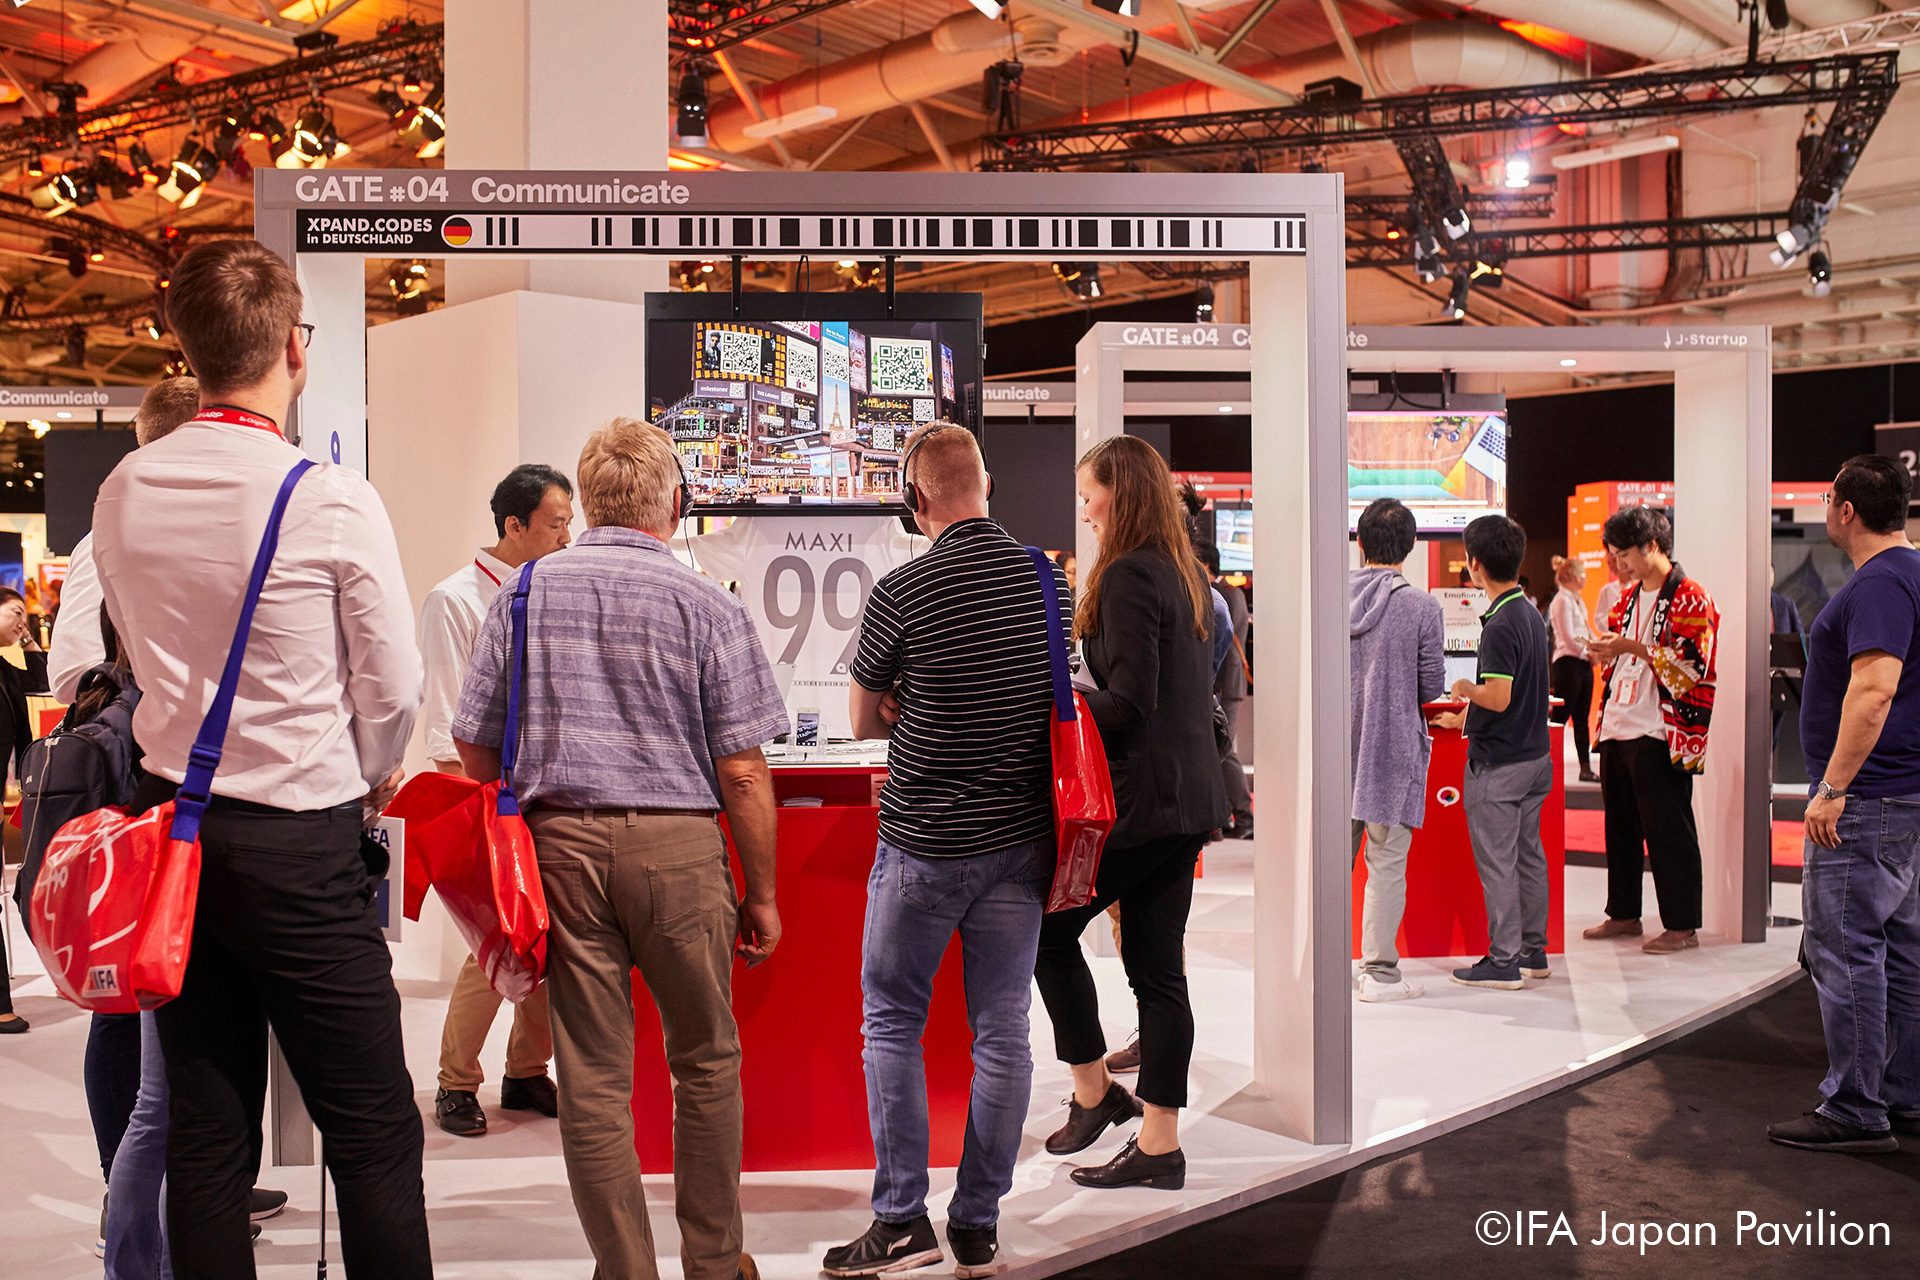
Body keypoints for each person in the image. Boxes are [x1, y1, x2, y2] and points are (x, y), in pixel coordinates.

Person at [92, 239, 430, 1279]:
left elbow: (139, 653)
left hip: (174, 835)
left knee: (206, 1131)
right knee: (373, 1130)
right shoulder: (327, 495)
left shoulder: (125, 488)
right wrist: (371, 772)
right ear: (294, 345)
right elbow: (394, 688)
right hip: (301, 842)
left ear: (191, 352)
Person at [453, 418, 786, 1280]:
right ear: (672, 504)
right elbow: (744, 773)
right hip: (679, 851)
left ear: (590, 503)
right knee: (706, 1061)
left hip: (560, 852)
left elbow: (475, 744)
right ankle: (714, 1263)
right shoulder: (709, 603)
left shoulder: (521, 596)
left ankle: (625, 1269)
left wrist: (521, 817)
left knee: (593, 1078)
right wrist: (763, 893)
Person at [823, 423, 1063, 1278]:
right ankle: (977, 1224)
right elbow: (1050, 702)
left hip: (924, 843)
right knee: (1002, 1032)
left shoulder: (904, 589)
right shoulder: (1046, 583)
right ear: (986, 485)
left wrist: (905, 703)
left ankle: (898, 1222)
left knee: (893, 1020)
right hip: (1020, 843)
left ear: (915, 499)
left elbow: (859, 720)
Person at [1031, 435, 1228, 1192]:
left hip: (1145, 806)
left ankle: (1097, 1095)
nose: (1083, 509)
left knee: (1048, 934)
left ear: (1122, 492)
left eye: (1090, 494)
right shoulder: (1182, 575)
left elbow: (1131, 702)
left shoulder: (1129, 576)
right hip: (1183, 802)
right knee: (1158, 972)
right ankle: (1156, 1143)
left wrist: (1058, 698)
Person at [1769, 455, 1920, 1154]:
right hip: (1904, 796)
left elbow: (1874, 692)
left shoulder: (1881, 584)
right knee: (1900, 950)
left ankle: (1859, 1107)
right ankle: (1899, 1094)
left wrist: (1832, 789)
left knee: (1848, 948)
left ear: (1846, 510)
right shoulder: (1911, 574)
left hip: (1869, 801)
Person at [421, 463, 574, 1138]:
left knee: (550, 936)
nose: (569, 536)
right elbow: (447, 723)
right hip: (484, 796)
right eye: (557, 523)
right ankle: (456, 1081)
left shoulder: (547, 591)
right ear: (514, 526)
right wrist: (488, 808)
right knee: (496, 943)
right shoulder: (454, 600)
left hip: (544, 790)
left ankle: (525, 1071)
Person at [1585, 505, 1719, 956]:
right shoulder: (1626, 598)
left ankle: (1682, 925)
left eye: (1625, 554)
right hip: (1620, 723)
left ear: (1652, 546)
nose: (1619, 564)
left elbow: (1693, 669)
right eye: (1615, 556)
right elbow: (1627, 657)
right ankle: (1623, 912)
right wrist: (1609, 652)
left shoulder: (1691, 596)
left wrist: (1632, 648)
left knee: (1669, 829)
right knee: (1619, 826)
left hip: (1662, 730)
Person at [1434, 515, 1553, 992]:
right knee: (1528, 857)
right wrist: (1468, 715)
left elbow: (1500, 697)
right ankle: (1532, 951)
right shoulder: (1527, 612)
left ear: (1474, 564)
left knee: (1499, 863)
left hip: (1500, 765)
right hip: (1534, 758)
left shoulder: (1502, 623)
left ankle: (1503, 960)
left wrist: (1465, 688)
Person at [1349, 499, 1446, 1003]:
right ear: (1409, 547)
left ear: (1360, 543)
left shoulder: (1330, 598)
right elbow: (1431, 686)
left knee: (1329, 862)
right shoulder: (1423, 607)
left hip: (1334, 755)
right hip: (1391, 752)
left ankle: (1319, 965)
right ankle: (1380, 973)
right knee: (1386, 862)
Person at [0, 586, 45, 1036]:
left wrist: (29, 643)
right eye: (15, 612)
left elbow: (44, 685)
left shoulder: (5, 672)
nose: (21, 621)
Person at [1196, 541, 1254, 840]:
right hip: (1216, 682)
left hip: (1227, 682)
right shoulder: (1218, 594)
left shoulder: (1229, 595)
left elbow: (1231, 639)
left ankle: (1244, 817)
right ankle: (1225, 818)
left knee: (1224, 748)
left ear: (1205, 565)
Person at [1547, 555, 1599, 784]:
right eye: (1583, 574)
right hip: (1568, 662)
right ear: (1573, 576)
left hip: (1582, 661)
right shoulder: (1562, 600)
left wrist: (1596, 649)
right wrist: (1589, 652)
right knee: (1560, 716)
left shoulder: (1576, 599)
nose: (1585, 578)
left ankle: (1585, 768)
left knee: (1581, 718)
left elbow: (1584, 630)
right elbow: (1567, 637)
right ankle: (1548, 765)